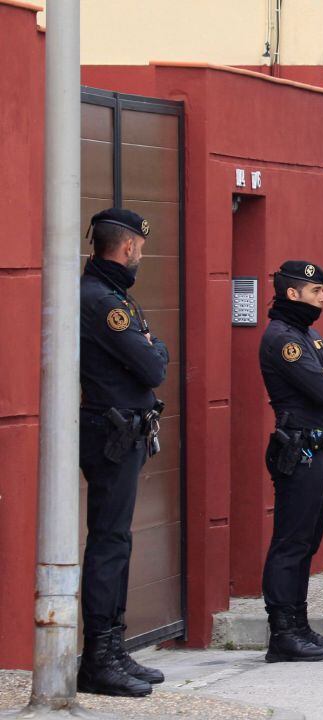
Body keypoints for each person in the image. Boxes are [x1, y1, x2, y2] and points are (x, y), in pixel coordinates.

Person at [78, 208, 169, 697]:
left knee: (118, 541)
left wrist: (153, 349)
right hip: (110, 432)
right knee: (109, 543)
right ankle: (99, 657)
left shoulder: (114, 297)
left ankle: (113, 647)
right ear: (128, 247)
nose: (141, 257)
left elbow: (155, 354)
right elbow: (154, 365)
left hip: (125, 431)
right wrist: (153, 349)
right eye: (141, 248)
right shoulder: (102, 302)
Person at [260, 261, 323, 663]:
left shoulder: (309, 336)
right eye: (316, 292)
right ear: (293, 294)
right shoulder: (283, 339)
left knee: (307, 543)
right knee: (291, 542)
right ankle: (282, 633)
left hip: (320, 450)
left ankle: (299, 626)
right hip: (299, 451)